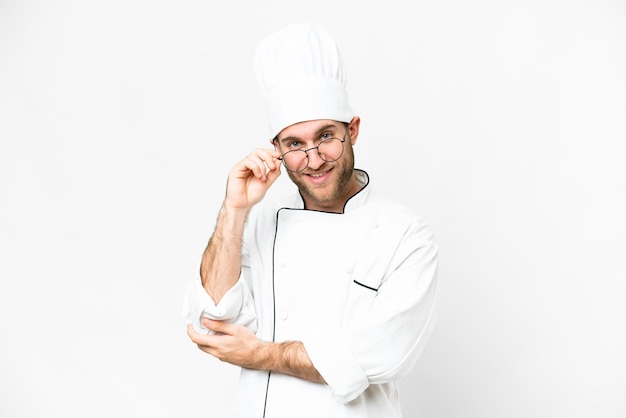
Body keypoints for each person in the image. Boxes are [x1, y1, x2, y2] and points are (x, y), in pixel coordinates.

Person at [183, 23, 438, 418]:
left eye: (326, 136)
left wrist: (260, 354)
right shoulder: (257, 223)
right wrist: (235, 210)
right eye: (295, 144)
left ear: (352, 130)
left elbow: (384, 354)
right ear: (277, 150)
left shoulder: (404, 235)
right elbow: (213, 320)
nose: (314, 159)